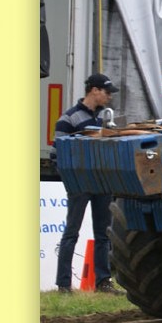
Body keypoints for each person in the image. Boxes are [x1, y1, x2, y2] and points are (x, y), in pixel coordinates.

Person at [54, 73, 124, 295]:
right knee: (71, 233)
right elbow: (58, 154)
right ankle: (64, 285)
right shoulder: (68, 118)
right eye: (107, 92)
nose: (109, 97)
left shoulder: (102, 119)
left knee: (103, 234)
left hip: (101, 183)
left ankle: (103, 282)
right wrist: (72, 181)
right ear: (94, 90)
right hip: (80, 184)